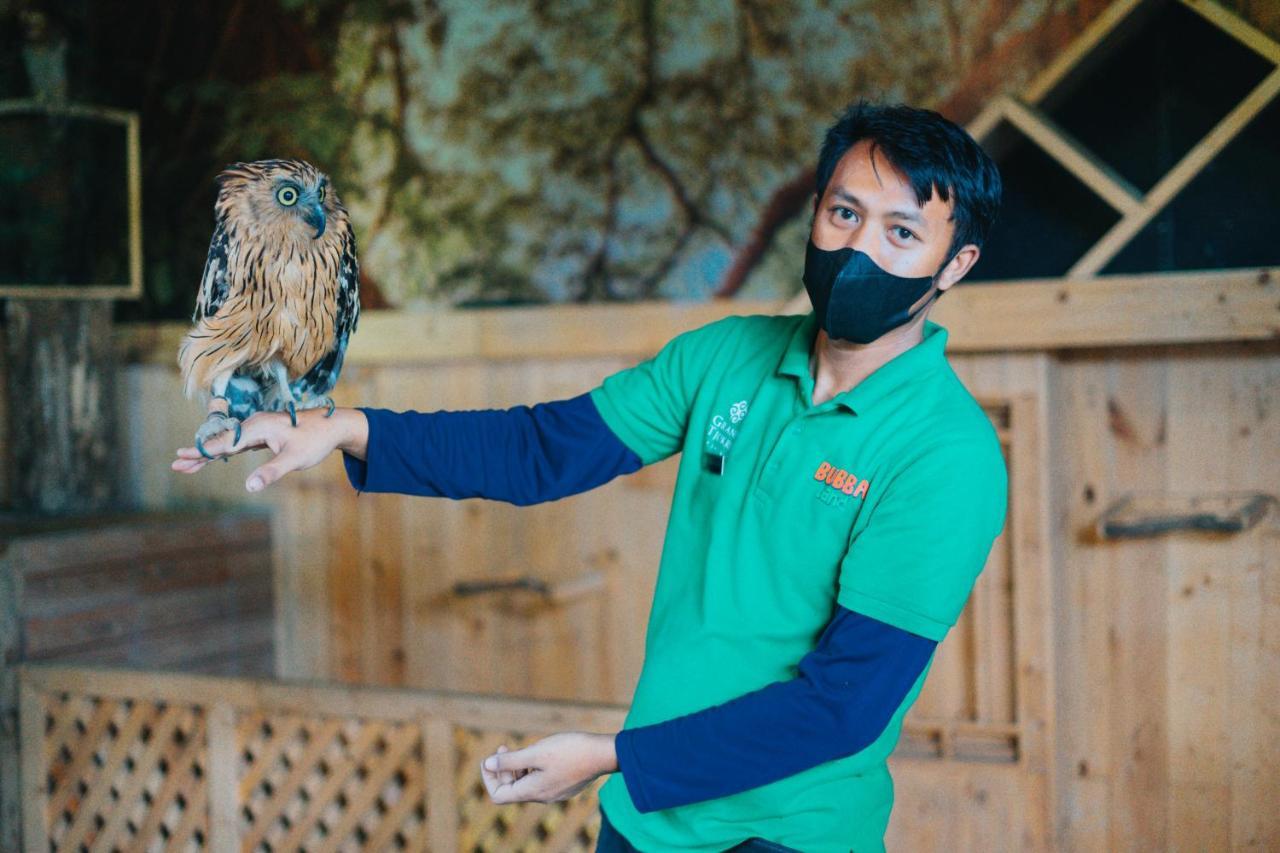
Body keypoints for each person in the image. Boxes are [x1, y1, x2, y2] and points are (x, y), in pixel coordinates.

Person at [173, 99, 1007, 853]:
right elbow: (547, 449)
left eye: (902, 232)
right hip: (645, 822)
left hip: (788, 833)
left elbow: (841, 707)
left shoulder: (948, 455)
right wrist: (344, 428)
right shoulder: (727, 356)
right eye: (844, 213)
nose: (859, 247)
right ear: (817, 214)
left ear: (955, 262)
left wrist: (611, 757)